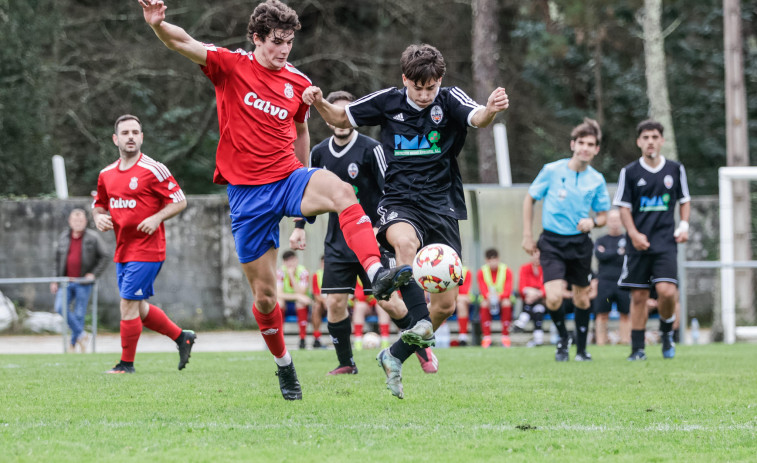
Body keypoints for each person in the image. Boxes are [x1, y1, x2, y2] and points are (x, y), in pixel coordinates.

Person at [139, 0, 411, 400]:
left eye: (289, 42)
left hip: (287, 178)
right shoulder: (230, 65)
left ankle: (376, 274)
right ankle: (284, 366)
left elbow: (301, 127)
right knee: (265, 297)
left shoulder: (299, 82)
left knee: (341, 190)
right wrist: (159, 25)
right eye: (276, 42)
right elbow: (185, 42)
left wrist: (304, 174)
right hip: (247, 196)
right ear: (257, 38)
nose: (283, 49)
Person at [304, 43, 509, 398]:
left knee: (444, 306)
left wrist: (490, 110)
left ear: (439, 81)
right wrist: (319, 101)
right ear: (405, 80)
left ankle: (395, 354)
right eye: (418, 88)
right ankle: (398, 290)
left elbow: (476, 117)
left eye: (431, 87)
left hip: (443, 206)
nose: (426, 94)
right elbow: (340, 118)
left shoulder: (449, 99)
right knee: (404, 244)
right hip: (400, 201)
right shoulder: (388, 100)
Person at [289, 90, 437, 376]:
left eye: (347, 114)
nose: (341, 121)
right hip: (337, 242)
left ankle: (421, 348)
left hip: (371, 240)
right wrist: (298, 228)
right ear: (329, 118)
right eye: (336, 114)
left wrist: (383, 226)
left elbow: (390, 191)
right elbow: (306, 193)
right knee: (334, 302)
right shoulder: (319, 153)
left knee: (390, 302)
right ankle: (346, 363)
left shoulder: (372, 150)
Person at [93, 114, 195, 374]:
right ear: (115, 139)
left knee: (127, 304)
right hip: (123, 249)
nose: (130, 136)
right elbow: (99, 204)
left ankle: (126, 365)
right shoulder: (106, 174)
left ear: (142, 137)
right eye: (125, 132)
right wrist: (98, 218)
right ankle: (181, 337)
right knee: (138, 307)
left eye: (135, 132)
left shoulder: (153, 169)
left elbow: (180, 200)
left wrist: (157, 217)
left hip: (148, 249)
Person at [522, 118, 611, 362]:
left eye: (590, 144)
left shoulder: (597, 180)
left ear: (596, 149)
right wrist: (528, 235)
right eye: (581, 142)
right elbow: (530, 198)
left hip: (580, 243)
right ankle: (563, 338)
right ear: (573, 144)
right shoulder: (552, 171)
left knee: (583, 297)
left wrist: (593, 222)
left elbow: (604, 215)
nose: (585, 148)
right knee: (553, 297)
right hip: (551, 242)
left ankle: (581, 349)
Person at [614, 119, 690, 360]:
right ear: (639, 142)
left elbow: (684, 199)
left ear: (662, 141)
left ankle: (667, 333)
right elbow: (624, 207)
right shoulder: (629, 172)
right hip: (638, 244)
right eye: (645, 137)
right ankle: (637, 349)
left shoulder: (675, 169)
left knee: (667, 292)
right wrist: (634, 235)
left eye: (655, 137)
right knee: (638, 296)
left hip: (666, 242)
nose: (650, 142)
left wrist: (684, 225)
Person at [51, 208, 109, 353]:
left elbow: (105, 256)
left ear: (85, 222)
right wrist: (54, 280)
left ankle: (73, 345)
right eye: (75, 220)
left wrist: (94, 274)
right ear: (70, 221)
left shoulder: (93, 237)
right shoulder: (64, 237)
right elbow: (57, 261)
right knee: (60, 307)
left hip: (83, 282)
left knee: (79, 313)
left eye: (80, 220)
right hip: (66, 281)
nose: (77, 223)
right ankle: (82, 336)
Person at [593, 209, 631, 345]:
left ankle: (625, 341)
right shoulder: (600, 240)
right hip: (604, 283)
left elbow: (627, 256)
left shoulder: (628, 239)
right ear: (607, 222)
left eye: (617, 220)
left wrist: (609, 254)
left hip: (623, 282)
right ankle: (601, 343)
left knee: (625, 314)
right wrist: (617, 252)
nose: (615, 223)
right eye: (612, 220)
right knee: (602, 314)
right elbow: (600, 256)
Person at [476, 248, 514, 348]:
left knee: (507, 302)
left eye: (495, 259)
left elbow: (508, 289)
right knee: (483, 303)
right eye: (490, 260)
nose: (493, 262)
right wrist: (489, 297)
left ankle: (505, 337)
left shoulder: (506, 270)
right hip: (488, 300)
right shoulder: (481, 271)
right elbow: (482, 289)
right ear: (486, 261)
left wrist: (498, 297)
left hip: (502, 300)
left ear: (498, 259)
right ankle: (487, 337)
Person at [276, 250, 313, 350]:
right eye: (287, 261)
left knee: (300, 303)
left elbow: (301, 293)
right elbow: (279, 294)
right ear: (283, 262)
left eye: (292, 260)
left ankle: (302, 339)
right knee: (279, 302)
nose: (290, 263)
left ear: (296, 260)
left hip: (300, 304)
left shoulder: (303, 272)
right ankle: (279, 338)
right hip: (287, 304)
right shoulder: (280, 272)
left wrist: (292, 276)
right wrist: (297, 296)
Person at [513, 249, 546, 347]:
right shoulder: (524, 268)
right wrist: (533, 292)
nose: (537, 259)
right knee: (537, 309)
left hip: (543, 300)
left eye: (539, 257)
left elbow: (547, 287)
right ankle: (538, 339)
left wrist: (537, 293)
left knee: (538, 306)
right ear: (531, 256)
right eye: (535, 256)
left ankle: (523, 319)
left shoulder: (546, 269)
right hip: (529, 299)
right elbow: (521, 288)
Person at [454, 265, 473, 346]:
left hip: (459, 300)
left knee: (461, 303)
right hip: (448, 300)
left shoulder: (466, 272)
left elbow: (464, 290)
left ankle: (463, 336)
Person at [310, 256, 326, 348]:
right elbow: (316, 295)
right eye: (323, 263)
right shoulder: (317, 275)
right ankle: (317, 338)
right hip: (322, 303)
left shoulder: (336, 274)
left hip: (334, 302)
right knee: (316, 307)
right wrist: (325, 301)